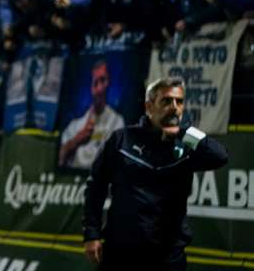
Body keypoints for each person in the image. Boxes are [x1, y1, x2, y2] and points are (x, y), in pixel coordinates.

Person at [83, 77, 228, 270]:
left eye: (179, 102)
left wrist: (183, 133)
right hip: (120, 254)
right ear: (149, 107)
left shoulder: (187, 143)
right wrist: (91, 234)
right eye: (166, 101)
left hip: (167, 258)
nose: (174, 107)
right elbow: (96, 186)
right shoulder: (122, 140)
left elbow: (220, 156)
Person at [58, 61, 125, 169]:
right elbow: (59, 159)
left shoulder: (117, 122)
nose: (99, 88)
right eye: (95, 83)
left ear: (109, 82)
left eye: (103, 80)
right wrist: (76, 141)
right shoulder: (75, 124)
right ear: (90, 86)